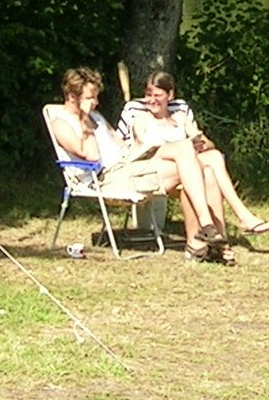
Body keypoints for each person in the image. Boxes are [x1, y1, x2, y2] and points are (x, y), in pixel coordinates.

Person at [52, 67, 229, 263]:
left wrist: (138, 147)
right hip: (107, 179)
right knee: (191, 164)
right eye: (90, 98)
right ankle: (204, 235)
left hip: (129, 166)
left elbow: (118, 143)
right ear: (71, 96)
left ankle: (207, 241)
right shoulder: (62, 123)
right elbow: (92, 155)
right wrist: (84, 120)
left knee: (199, 164)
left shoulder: (97, 117)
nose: (96, 102)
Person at [122, 70, 269, 243]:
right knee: (185, 150)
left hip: (185, 173)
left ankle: (225, 234)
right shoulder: (141, 118)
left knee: (214, 159)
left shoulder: (180, 117)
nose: (151, 100)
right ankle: (227, 220)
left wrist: (199, 144)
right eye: (148, 95)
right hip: (155, 172)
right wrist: (185, 146)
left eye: (157, 95)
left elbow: (207, 143)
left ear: (170, 95)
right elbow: (147, 147)